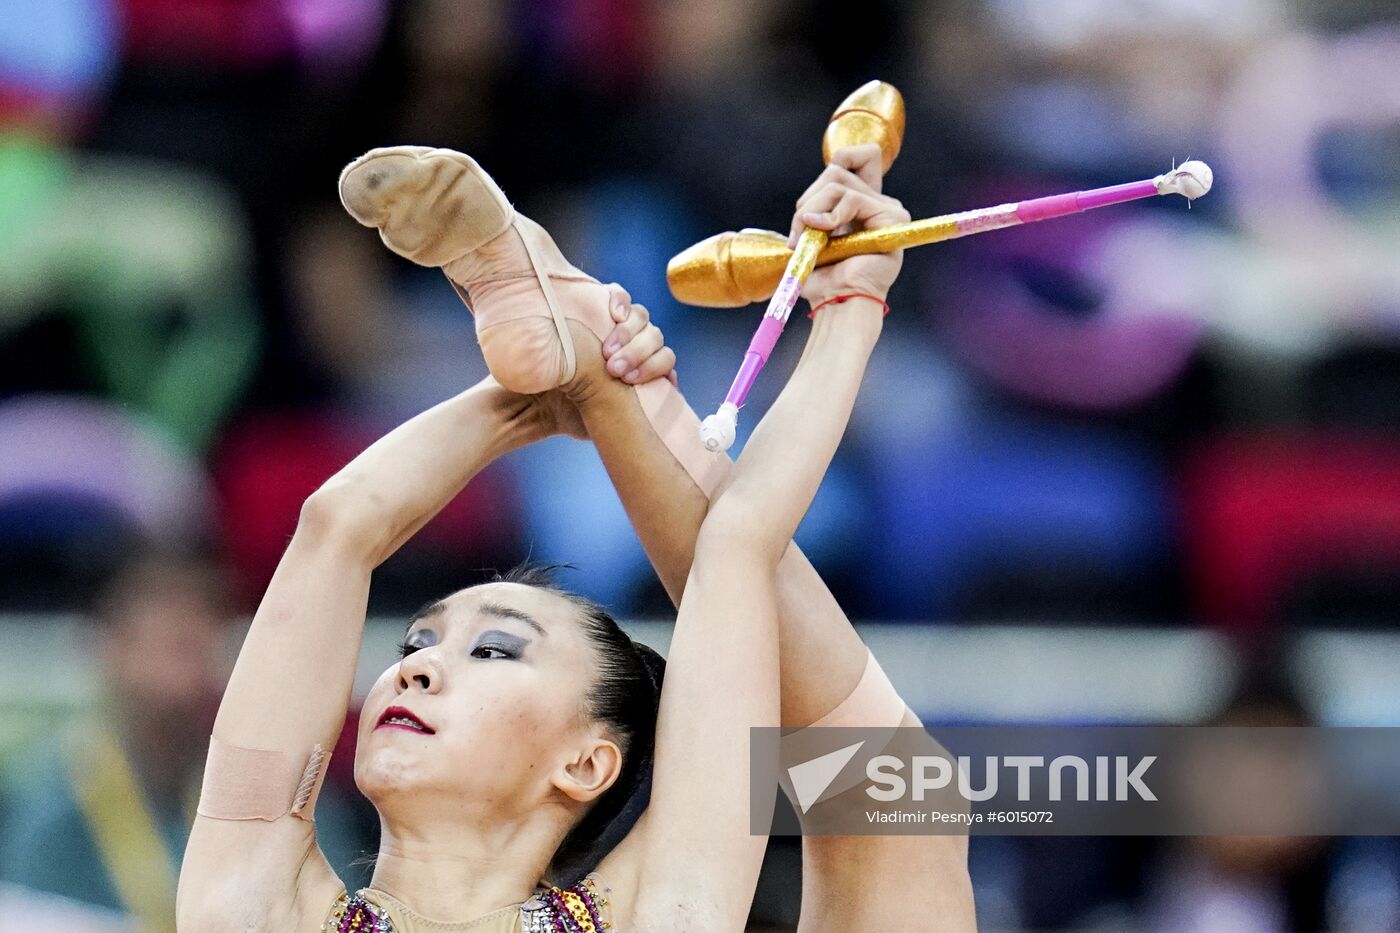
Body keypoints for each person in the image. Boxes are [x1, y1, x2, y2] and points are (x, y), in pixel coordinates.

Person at [179, 145, 972, 931]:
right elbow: (336, 528)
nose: (416, 666)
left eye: (494, 650)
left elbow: (740, 547)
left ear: (587, 763)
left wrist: (847, 307)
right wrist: (536, 390)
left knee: (893, 795)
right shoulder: (252, 905)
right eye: (418, 642)